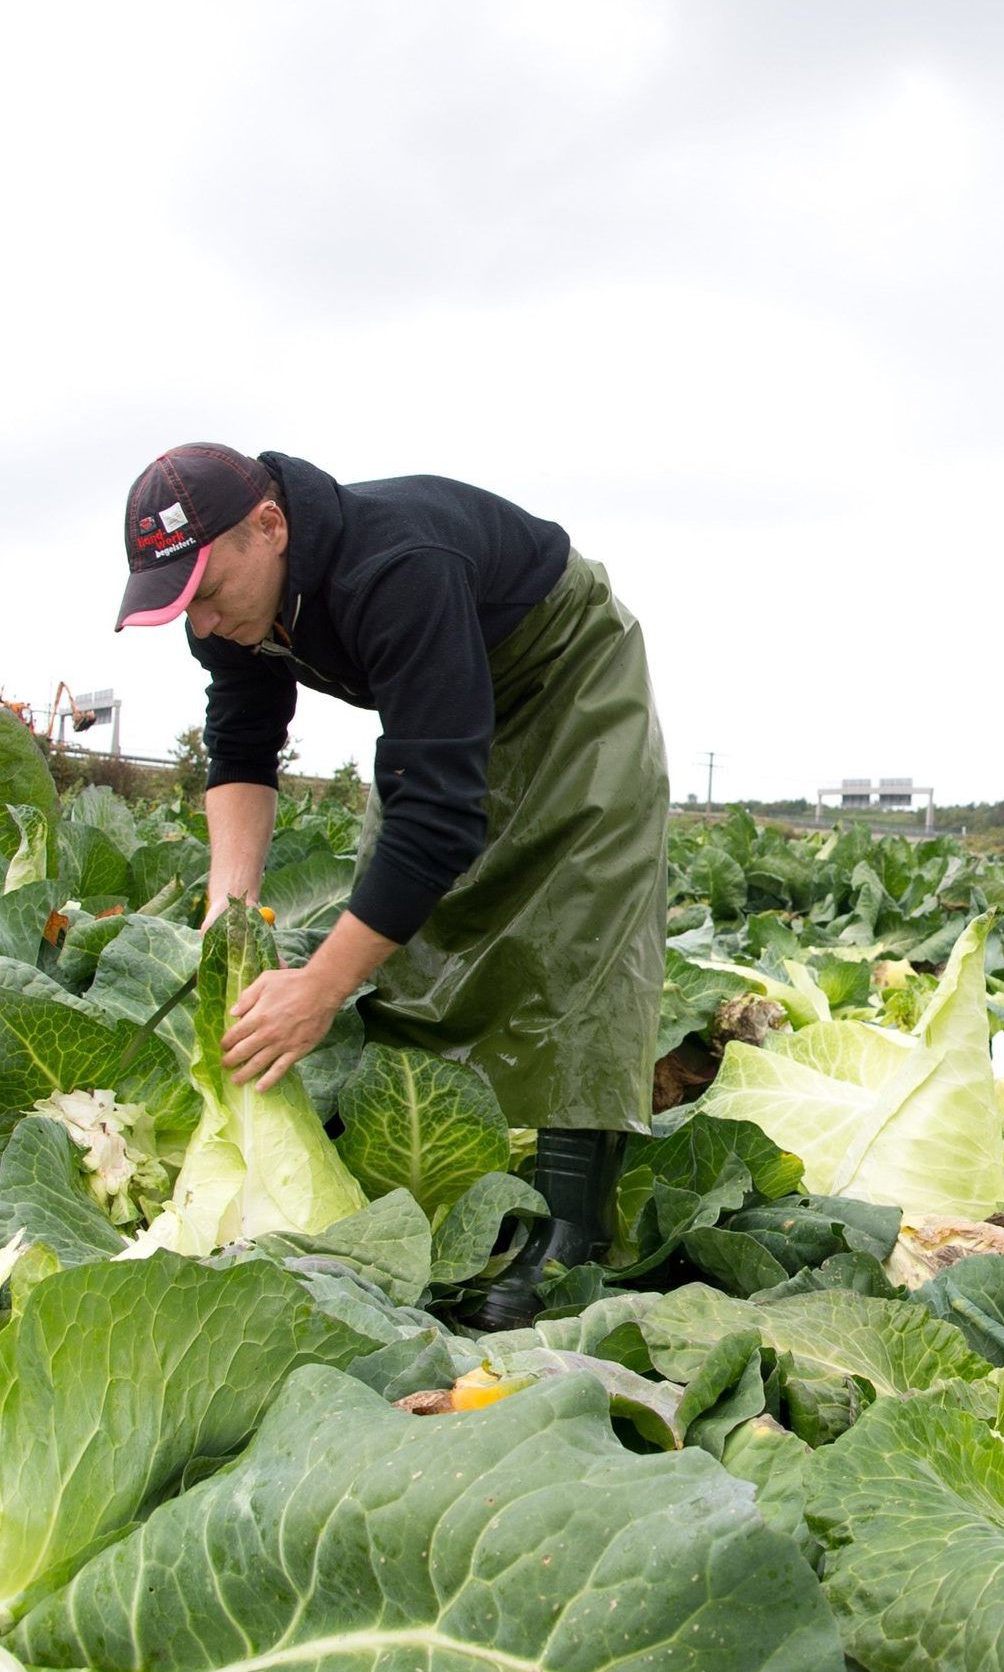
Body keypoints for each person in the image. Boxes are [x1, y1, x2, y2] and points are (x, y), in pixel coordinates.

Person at [115, 443, 671, 1326]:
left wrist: (319, 989)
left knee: (578, 924)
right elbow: (242, 747)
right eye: (184, 605)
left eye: (210, 595)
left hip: (564, 672)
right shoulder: (228, 606)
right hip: (447, 694)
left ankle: (570, 1234)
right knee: (411, 933)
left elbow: (438, 817)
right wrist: (229, 906)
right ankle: (447, 1178)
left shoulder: (397, 568)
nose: (205, 624)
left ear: (271, 525)